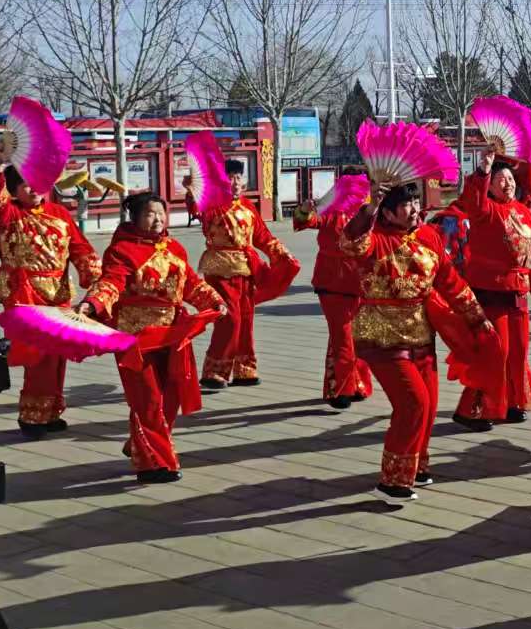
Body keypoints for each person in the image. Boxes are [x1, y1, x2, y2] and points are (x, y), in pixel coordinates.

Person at [342, 183, 493, 502]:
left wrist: (478, 318)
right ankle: (392, 480)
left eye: (414, 201)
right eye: (406, 204)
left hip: (422, 335)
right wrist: (369, 208)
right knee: (413, 403)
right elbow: (351, 243)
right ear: (387, 213)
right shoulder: (375, 239)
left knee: (430, 404)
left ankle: (416, 465)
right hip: (382, 337)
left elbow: (451, 282)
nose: (414, 208)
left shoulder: (429, 237)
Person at [80, 193, 225, 482]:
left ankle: (140, 443)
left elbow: (191, 284)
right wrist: (92, 303)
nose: (158, 219)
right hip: (135, 337)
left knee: (171, 395)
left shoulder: (174, 247)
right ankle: (153, 463)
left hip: (172, 334)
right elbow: (111, 282)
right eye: (150, 214)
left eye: (161, 213)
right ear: (135, 218)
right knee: (146, 398)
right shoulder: (121, 250)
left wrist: (214, 301)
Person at [0, 164, 101, 437]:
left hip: (57, 293)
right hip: (24, 293)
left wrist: (93, 274)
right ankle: (32, 416)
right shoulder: (9, 213)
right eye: (25, 184)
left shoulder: (59, 213)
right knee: (37, 355)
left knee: (57, 354)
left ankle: (50, 411)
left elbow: (79, 247)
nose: (33, 189)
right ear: (14, 190)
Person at [450, 150, 531, 431]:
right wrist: (483, 171)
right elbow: (474, 201)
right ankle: (472, 410)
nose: (507, 184)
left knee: (519, 351)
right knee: (495, 351)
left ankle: (512, 402)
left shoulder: (525, 213)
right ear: (489, 186)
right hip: (491, 291)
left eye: (510, 179)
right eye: (500, 179)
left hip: (518, 292)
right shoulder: (484, 211)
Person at [185, 160, 295, 389]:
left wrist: (282, 255)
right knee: (229, 319)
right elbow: (197, 208)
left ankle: (244, 369)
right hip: (220, 270)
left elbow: (263, 237)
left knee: (245, 319)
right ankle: (214, 370)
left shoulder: (247, 206)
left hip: (246, 270)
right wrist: (192, 190)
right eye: (230, 177)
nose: (235, 182)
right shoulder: (212, 204)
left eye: (238, 177)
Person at [292, 172, 373, 410]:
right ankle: (342, 389)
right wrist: (304, 209)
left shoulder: (370, 215)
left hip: (362, 284)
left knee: (356, 336)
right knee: (343, 337)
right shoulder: (331, 212)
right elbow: (307, 221)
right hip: (333, 283)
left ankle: (353, 383)